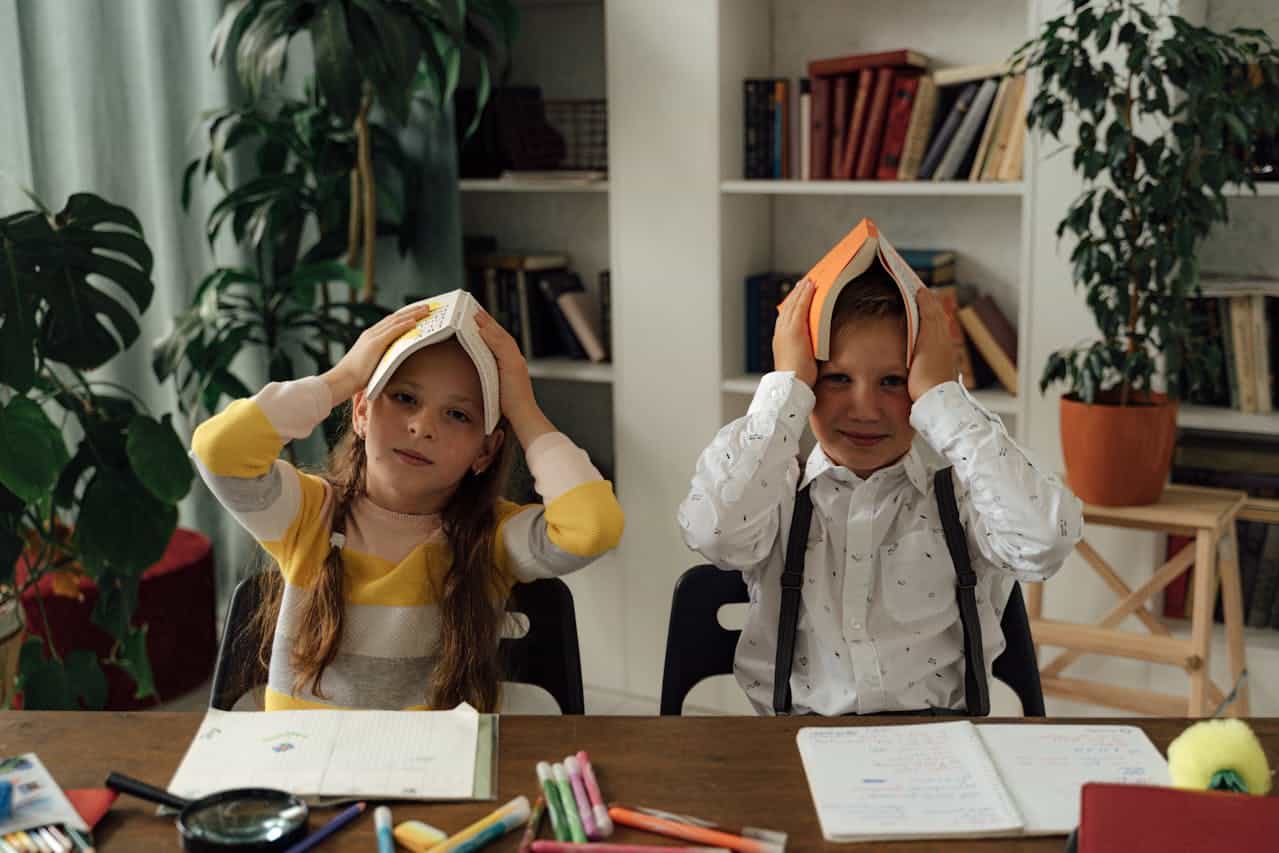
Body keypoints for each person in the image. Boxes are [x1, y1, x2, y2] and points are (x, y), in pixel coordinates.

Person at [678, 266, 1081, 715]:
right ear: (808, 384)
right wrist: (784, 386)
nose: (865, 409)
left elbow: (1046, 540)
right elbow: (712, 532)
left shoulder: (964, 501)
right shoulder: (773, 498)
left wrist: (943, 396)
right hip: (795, 743)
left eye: (892, 381)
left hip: (941, 743)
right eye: (837, 379)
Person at [193, 298, 623, 711]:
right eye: (404, 399)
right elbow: (219, 451)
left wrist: (523, 409)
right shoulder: (310, 512)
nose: (422, 427)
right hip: (309, 774)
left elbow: (594, 528)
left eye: (458, 415)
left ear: (485, 452)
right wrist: (340, 380)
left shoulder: (490, 536)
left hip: (436, 776)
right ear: (361, 411)